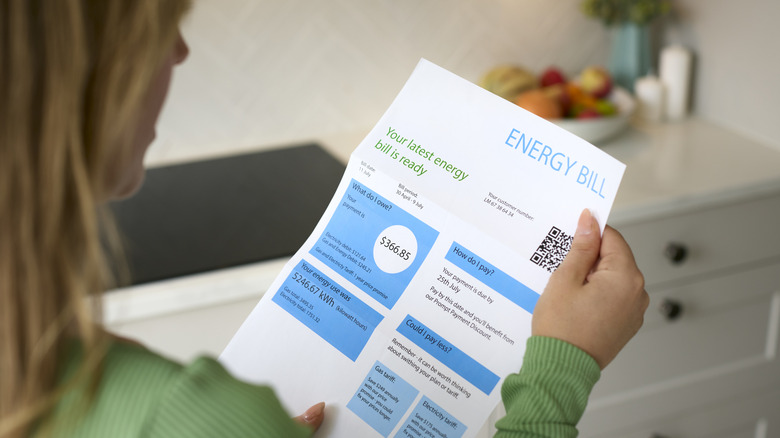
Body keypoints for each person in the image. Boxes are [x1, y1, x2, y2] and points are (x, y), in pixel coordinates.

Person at [0, 1, 647, 437]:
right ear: (80, 79)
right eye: (155, 30)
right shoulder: (190, 415)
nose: (177, 52)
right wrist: (566, 361)